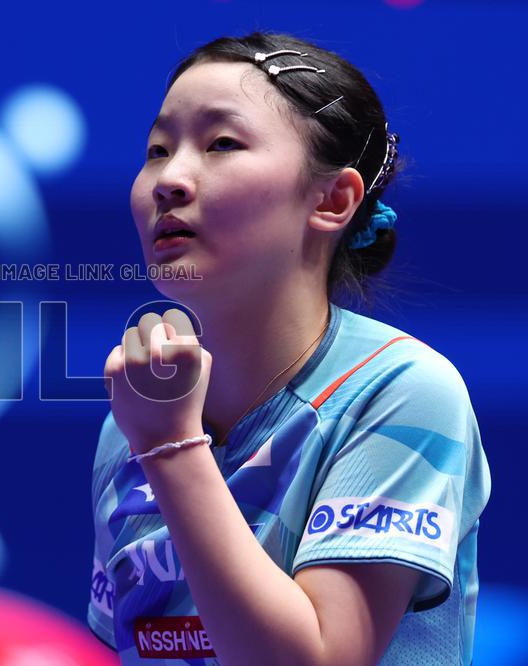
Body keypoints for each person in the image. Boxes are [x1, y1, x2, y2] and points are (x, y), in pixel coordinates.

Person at [89, 32, 491, 665]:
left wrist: (171, 449)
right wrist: (159, 437)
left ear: (332, 200)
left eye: (222, 143)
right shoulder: (135, 421)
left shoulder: (402, 392)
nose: (169, 178)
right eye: (157, 149)